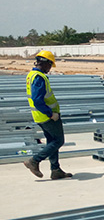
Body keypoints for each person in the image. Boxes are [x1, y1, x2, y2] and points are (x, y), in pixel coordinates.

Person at [23, 51, 72, 180]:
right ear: (45, 63)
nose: (49, 69)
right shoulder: (38, 77)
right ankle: (34, 161)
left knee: (52, 142)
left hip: (40, 116)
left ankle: (56, 170)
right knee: (58, 141)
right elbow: (37, 100)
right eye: (50, 65)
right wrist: (51, 114)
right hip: (47, 116)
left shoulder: (31, 75)